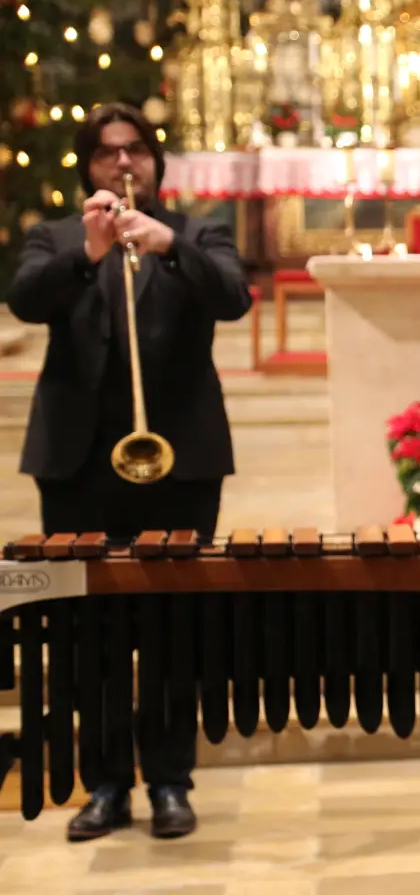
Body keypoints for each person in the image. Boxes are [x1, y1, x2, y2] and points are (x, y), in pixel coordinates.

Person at [5, 103, 253, 839]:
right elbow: (24, 300)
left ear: (155, 161)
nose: (122, 164)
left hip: (178, 461)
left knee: (176, 626)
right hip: (79, 464)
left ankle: (170, 782)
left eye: (136, 151)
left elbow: (234, 297)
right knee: (89, 633)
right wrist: (87, 252)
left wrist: (170, 243)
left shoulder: (200, 231)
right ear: (87, 166)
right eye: (108, 153)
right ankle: (107, 783)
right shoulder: (53, 239)